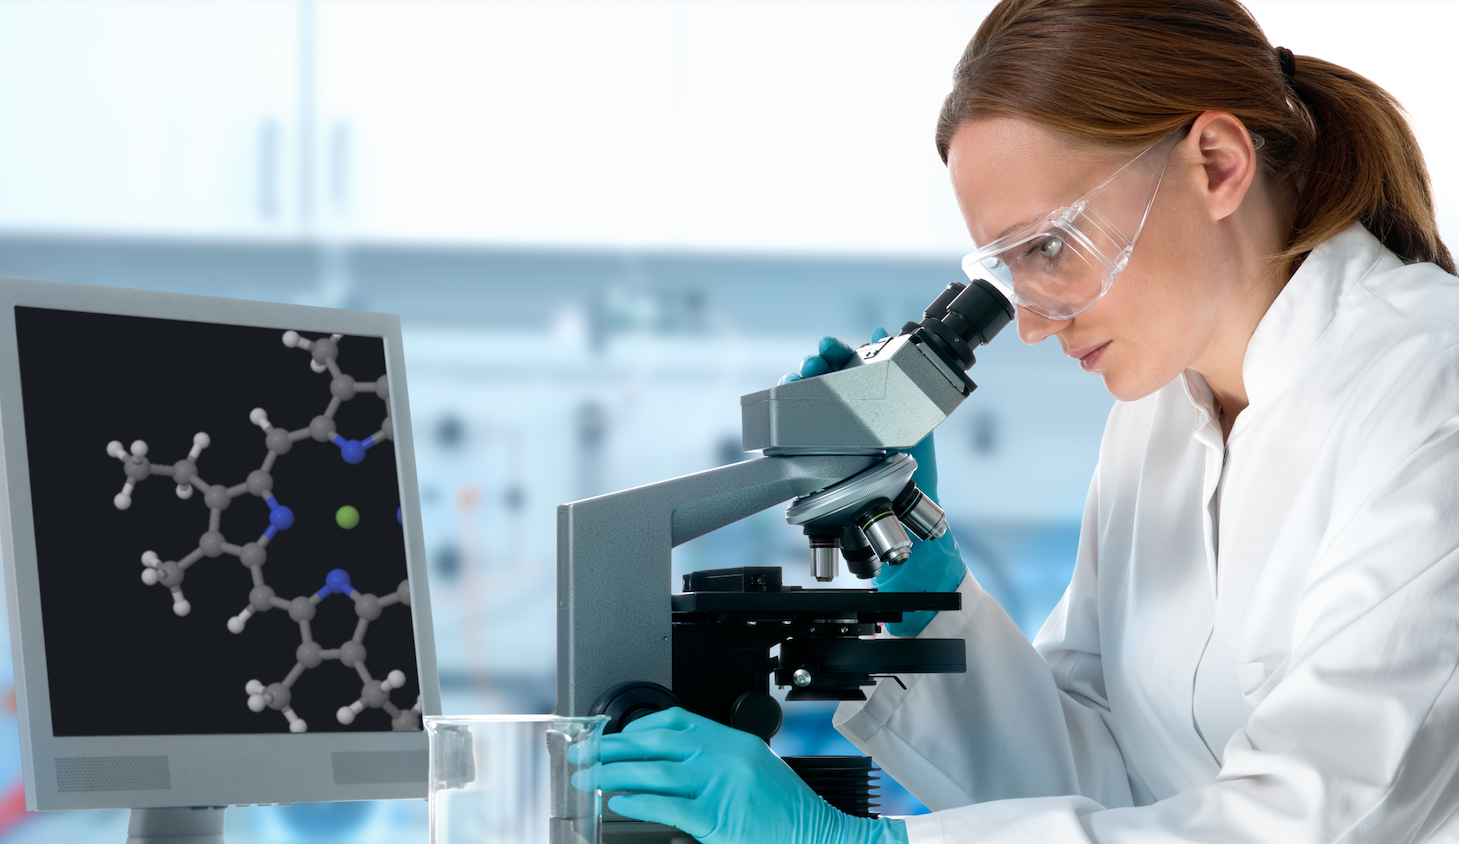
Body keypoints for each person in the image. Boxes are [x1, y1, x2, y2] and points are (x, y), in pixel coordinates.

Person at [584, 0, 1459, 841]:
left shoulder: (1429, 387)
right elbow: (1099, 781)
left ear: (1218, 163)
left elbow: (1317, 821)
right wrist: (922, 593)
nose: (1034, 324)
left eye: (1049, 246)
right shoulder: (1162, 407)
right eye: (1008, 271)